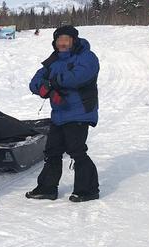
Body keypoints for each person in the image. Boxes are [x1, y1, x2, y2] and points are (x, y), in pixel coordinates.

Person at [27, 25, 100, 203]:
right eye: (59, 40)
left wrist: (52, 84)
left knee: (77, 151)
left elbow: (78, 77)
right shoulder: (53, 60)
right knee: (52, 151)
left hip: (80, 112)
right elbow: (35, 81)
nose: (63, 43)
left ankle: (88, 189)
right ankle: (47, 188)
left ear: (74, 40)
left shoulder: (86, 57)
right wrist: (45, 89)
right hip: (59, 114)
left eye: (66, 40)